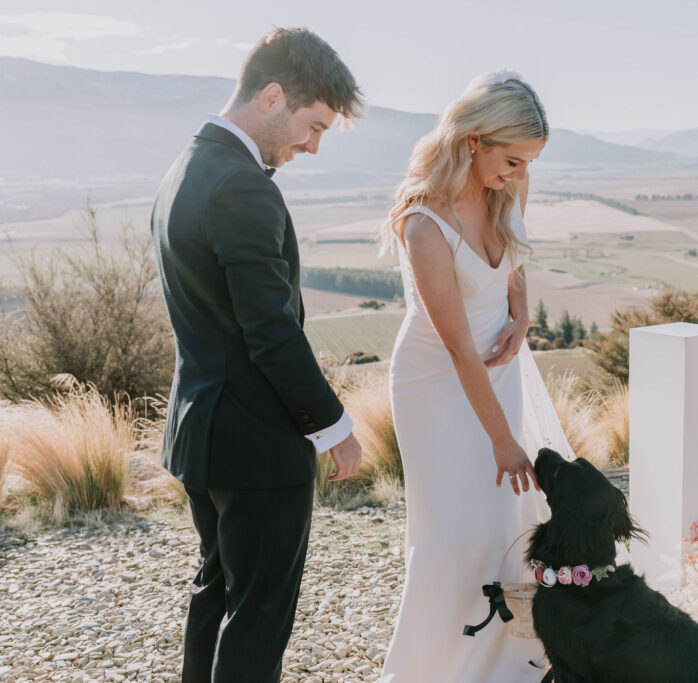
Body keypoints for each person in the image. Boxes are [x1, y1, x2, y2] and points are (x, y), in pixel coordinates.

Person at [150, 28, 364, 682]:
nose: (314, 144)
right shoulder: (243, 186)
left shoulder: (186, 165)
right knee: (258, 616)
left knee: (216, 594)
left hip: (202, 435)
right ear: (272, 96)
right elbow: (270, 332)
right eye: (313, 125)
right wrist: (335, 426)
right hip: (256, 444)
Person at [379, 70, 555, 682]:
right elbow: (456, 350)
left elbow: (515, 256)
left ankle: (510, 658)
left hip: (500, 368)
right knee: (455, 529)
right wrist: (503, 439)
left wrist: (521, 313)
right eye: (511, 159)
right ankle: (434, 666)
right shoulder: (424, 221)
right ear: (475, 140)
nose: (518, 173)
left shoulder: (510, 185)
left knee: (508, 520)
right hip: (437, 386)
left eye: (528, 161)